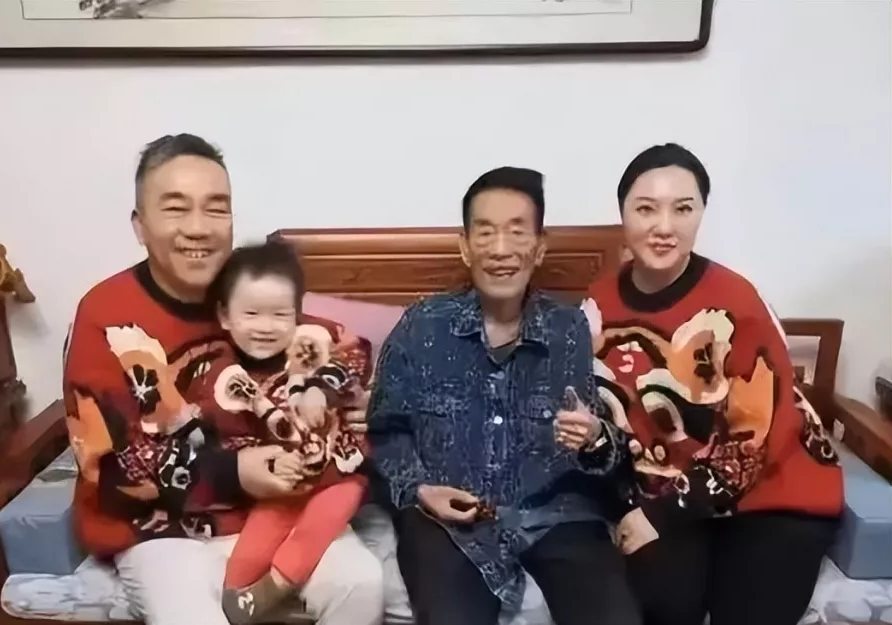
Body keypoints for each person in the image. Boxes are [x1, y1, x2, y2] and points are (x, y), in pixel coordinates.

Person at [62, 133, 383, 625]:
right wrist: (233, 472)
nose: (198, 228)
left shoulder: (248, 291)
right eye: (176, 209)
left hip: (280, 509)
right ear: (140, 225)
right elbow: (108, 470)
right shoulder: (106, 313)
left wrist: (347, 394)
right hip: (161, 532)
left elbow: (336, 345)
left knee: (361, 584)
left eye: (216, 209)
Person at [367, 166, 642, 625]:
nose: (500, 249)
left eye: (517, 232)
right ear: (465, 246)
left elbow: (601, 453)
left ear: (540, 247)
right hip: (450, 523)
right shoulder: (422, 326)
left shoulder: (569, 329)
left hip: (558, 516)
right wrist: (419, 490)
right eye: (486, 232)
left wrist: (595, 437)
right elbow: (384, 432)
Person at [582, 142, 843, 625]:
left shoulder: (736, 300)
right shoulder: (599, 301)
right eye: (646, 209)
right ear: (623, 214)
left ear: (702, 212)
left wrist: (660, 516)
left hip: (772, 495)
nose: (664, 226)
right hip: (669, 488)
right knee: (663, 604)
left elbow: (757, 442)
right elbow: (603, 413)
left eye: (683, 209)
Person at [199, 239, 377, 625]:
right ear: (225, 315)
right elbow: (226, 434)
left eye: (280, 314)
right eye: (251, 313)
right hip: (279, 484)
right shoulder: (221, 371)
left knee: (323, 520)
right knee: (258, 537)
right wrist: (271, 463)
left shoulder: (313, 343)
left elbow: (354, 356)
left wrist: (321, 388)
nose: (266, 327)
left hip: (337, 472)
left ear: (297, 314)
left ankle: (278, 583)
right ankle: (237, 596)